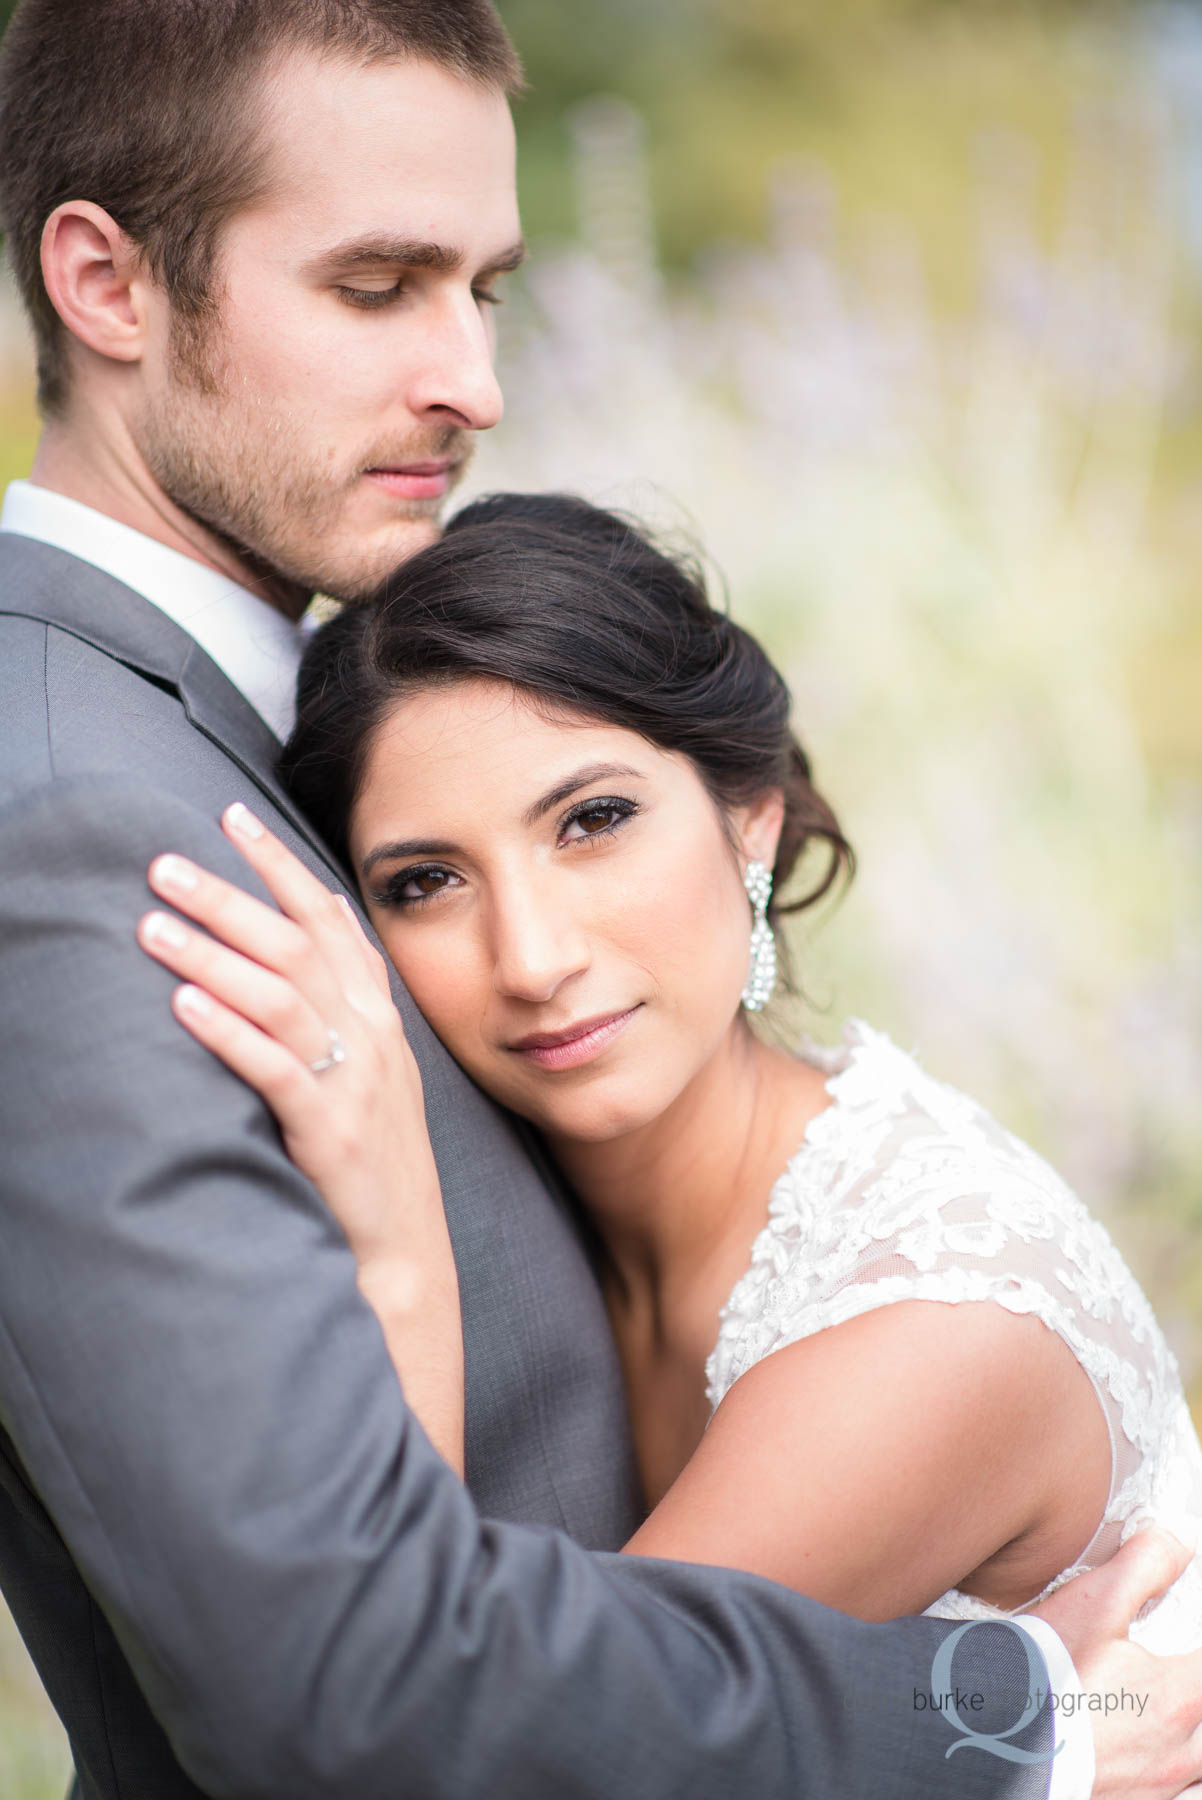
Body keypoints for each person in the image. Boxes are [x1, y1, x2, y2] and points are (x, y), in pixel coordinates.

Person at [0, 0, 1197, 1794]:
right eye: (376, 284)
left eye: (481, 288)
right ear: (105, 283)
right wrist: (1018, 1726)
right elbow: (359, 1693)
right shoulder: (79, 806)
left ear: (753, 816)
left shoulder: (242, 729)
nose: (470, 380)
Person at [137, 488, 1202, 1661]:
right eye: (425, 882)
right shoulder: (541, 1196)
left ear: (747, 816)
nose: (534, 960)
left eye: (592, 819)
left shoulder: (932, 1328)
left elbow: (479, 1750)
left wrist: (397, 1259)